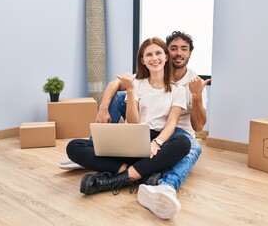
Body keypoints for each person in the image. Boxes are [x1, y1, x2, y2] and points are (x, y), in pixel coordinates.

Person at [94, 31, 211, 219]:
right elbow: (114, 84)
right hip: (147, 124)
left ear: (190, 53)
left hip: (177, 132)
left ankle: (166, 186)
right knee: (119, 95)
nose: (178, 53)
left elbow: (197, 127)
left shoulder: (192, 81)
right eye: (173, 48)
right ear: (166, 53)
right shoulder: (154, 68)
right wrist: (103, 108)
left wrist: (196, 96)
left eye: (184, 49)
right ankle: (95, 145)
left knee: (193, 146)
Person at [65, 37, 191, 207]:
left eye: (158, 53)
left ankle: (112, 181)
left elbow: (172, 123)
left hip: (157, 142)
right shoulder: (137, 83)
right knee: (73, 147)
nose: (154, 58)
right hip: (134, 136)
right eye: (149, 55)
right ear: (143, 60)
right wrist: (130, 91)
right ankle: (143, 174)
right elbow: (133, 122)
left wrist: (157, 142)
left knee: (183, 142)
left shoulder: (178, 90)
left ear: (166, 56)